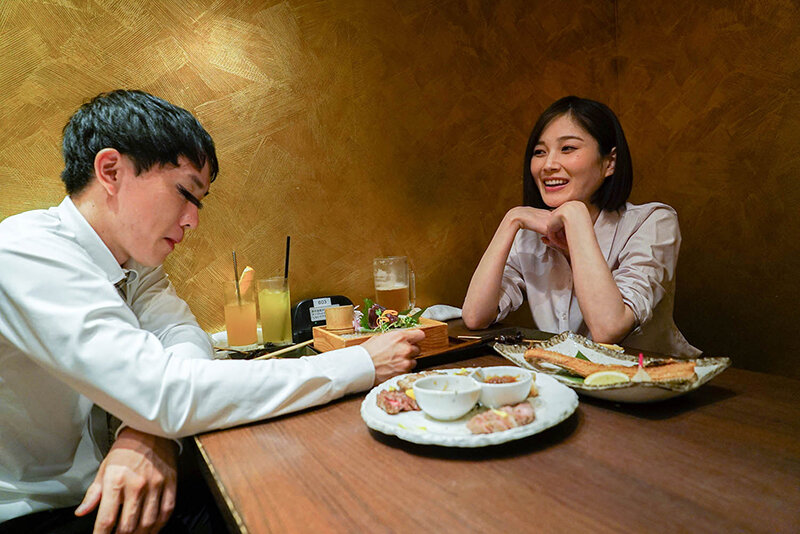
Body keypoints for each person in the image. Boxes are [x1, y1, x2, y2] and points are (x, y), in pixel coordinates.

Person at [0, 89, 424, 532]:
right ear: (111, 171)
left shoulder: (132, 263)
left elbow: (184, 338)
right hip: (35, 514)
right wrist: (359, 362)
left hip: (106, 490)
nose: (192, 220)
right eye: (185, 193)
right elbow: (166, 392)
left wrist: (147, 428)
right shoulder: (29, 253)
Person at [462, 96, 698, 358]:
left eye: (568, 148)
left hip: (653, 377)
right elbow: (475, 316)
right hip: (566, 376)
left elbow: (608, 328)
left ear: (610, 162)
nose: (548, 165)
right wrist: (512, 219)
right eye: (539, 152)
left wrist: (576, 216)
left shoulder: (653, 222)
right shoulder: (530, 235)